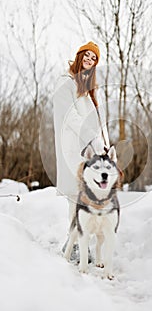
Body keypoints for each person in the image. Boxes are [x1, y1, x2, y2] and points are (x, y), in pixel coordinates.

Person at [53, 41, 110, 259]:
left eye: (93, 58)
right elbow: (70, 117)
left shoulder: (88, 90)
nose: (89, 60)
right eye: (86, 55)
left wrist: (102, 143)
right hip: (73, 148)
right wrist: (92, 139)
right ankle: (74, 243)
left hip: (90, 149)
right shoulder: (66, 83)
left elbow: (98, 119)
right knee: (76, 195)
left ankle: (78, 241)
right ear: (79, 56)